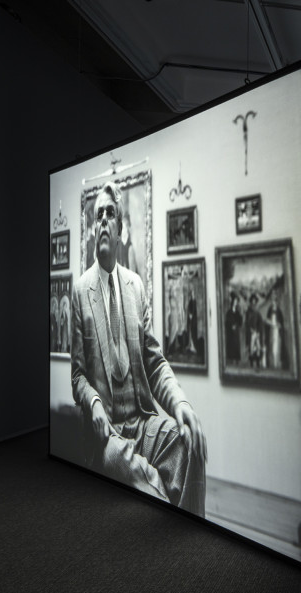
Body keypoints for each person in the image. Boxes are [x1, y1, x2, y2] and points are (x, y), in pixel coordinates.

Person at [71, 182, 207, 516]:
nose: (103, 220)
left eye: (111, 213)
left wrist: (180, 403)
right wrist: (93, 402)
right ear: (92, 230)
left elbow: (155, 361)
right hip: (108, 436)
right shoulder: (79, 291)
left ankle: (192, 538)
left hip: (143, 423)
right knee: (123, 463)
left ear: (120, 230)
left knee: (189, 442)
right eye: (98, 214)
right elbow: (76, 376)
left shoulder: (136, 286)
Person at [245, 293, 264, 368]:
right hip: (251, 332)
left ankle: (258, 362)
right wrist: (250, 329)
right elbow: (247, 323)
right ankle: (251, 362)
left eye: (254, 302)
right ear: (250, 302)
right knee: (251, 347)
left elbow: (260, 323)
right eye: (252, 302)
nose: (253, 303)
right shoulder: (248, 312)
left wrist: (258, 331)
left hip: (257, 332)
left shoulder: (257, 313)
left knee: (257, 347)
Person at [225, 293, 243, 364]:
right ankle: (231, 361)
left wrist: (241, 316)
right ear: (232, 302)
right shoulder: (229, 312)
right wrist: (231, 326)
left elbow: (240, 323)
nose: (235, 303)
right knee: (231, 347)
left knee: (236, 347)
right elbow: (227, 322)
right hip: (230, 333)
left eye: (236, 302)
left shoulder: (238, 312)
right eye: (234, 301)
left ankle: (236, 362)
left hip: (236, 333)